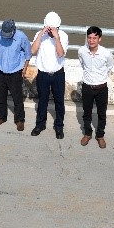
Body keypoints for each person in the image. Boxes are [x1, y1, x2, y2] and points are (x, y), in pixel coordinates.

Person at [30, 11, 68, 139]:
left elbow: (61, 53)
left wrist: (56, 38)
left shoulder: (63, 36)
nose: (51, 31)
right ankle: (40, 124)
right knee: (42, 101)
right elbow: (33, 51)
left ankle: (59, 126)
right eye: (49, 28)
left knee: (59, 102)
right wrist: (41, 34)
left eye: (53, 29)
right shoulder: (40, 35)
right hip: (43, 74)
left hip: (58, 74)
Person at [78, 26, 114, 148]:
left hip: (101, 88)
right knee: (86, 112)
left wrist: (99, 77)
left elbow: (110, 66)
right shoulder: (82, 51)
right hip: (87, 87)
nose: (91, 40)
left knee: (101, 113)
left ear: (100, 39)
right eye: (89, 37)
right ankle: (87, 133)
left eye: (95, 38)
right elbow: (82, 64)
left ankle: (100, 135)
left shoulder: (106, 54)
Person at [0, 19, 30, 131]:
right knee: (0, 96)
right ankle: (1, 117)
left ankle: (19, 120)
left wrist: (25, 69)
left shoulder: (21, 36)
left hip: (15, 71)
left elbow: (28, 54)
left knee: (17, 98)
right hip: (0, 69)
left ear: (13, 30)